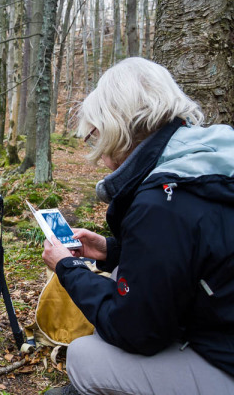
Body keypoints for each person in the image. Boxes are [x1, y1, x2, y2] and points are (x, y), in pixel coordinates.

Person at [42, 57, 234, 395]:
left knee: (85, 356)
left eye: (95, 134)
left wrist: (68, 268)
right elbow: (193, 253)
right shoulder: (204, 162)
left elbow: (137, 332)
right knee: (117, 279)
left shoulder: (162, 200)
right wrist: (111, 251)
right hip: (221, 325)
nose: (98, 149)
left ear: (117, 128)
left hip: (224, 362)